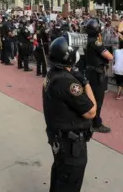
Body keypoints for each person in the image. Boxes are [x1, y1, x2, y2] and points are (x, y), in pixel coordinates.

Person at [43, 36, 96, 192]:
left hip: (59, 137)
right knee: (70, 181)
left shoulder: (52, 73)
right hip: (70, 143)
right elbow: (91, 111)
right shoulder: (67, 82)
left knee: (60, 176)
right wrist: (85, 83)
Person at [85, 19, 113, 133]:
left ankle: (88, 119)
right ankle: (96, 123)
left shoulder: (85, 40)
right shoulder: (96, 42)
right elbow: (109, 56)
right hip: (97, 74)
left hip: (88, 71)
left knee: (89, 97)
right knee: (98, 99)